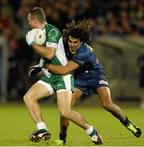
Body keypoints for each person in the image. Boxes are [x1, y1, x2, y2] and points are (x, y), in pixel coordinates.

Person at [44, 19, 142, 144]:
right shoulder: (65, 44)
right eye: (70, 41)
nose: (72, 44)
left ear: (82, 42)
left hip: (96, 75)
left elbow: (64, 70)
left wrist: (46, 66)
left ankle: (129, 124)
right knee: (66, 109)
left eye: (75, 42)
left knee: (107, 104)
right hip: (80, 77)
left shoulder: (84, 52)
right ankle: (62, 138)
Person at [24, 7, 103, 145]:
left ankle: (92, 132)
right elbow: (48, 57)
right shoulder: (37, 33)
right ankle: (42, 129)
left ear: (34, 20)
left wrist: (32, 44)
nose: (28, 23)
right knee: (28, 98)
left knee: (65, 112)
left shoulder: (52, 31)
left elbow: (49, 53)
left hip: (62, 76)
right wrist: (39, 66)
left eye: (28, 20)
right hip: (49, 76)